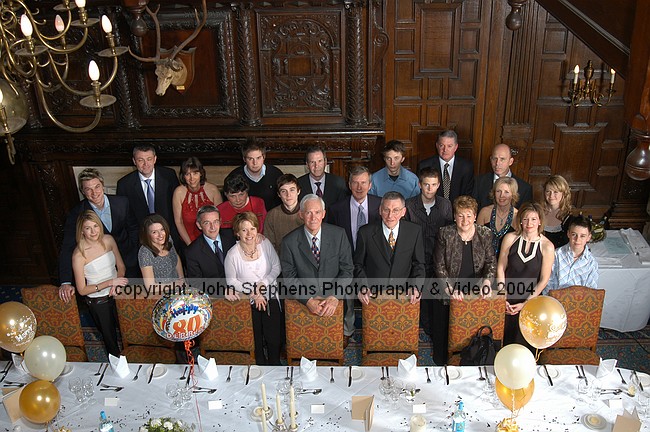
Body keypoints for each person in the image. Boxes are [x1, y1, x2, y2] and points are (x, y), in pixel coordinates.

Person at [59, 168, 139, 303]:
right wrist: (65, 281)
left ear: (102, 185)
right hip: (101, 272)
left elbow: (133, 228)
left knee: (132, 306)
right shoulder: (77, 213)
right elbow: (67, 246)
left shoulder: (122, 202)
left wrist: (134, 252)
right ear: (83, 191)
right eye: (88, 189)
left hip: (128, 261)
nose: (94, 192)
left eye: (97, 187)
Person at [432, 195, 496, 365]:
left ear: (475, 216)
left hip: (475, 293)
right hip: (448, 291)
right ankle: (442, 363)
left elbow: (491, 262)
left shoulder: (484, 233)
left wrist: (487, 282)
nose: (465, 220)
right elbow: (439, 265)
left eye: (468, 215)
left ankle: (469, 360)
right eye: (460, 215)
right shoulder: (445, 233)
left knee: (470, 331)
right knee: (444, 331)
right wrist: (450, 289)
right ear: (455, 216)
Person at [328, 165, 382, 343]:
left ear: (370, 185)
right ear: (349, 184)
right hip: (347, 261)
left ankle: (374, 332)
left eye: (363, 183)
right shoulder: (336, 209)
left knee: (373, 299)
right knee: (347, 298)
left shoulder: (380, 205)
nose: (359, 187)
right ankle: (347, 331)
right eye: (355, 183)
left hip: (373, 262)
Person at [280, 194, 354, 318]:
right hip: (304, 303)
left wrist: (334, 296)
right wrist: (308, 300)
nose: (313, 218)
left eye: (317, 212)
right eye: (308, 212)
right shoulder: (289, 242)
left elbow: (347, 270)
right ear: (301, 214)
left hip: (335, 300)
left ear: (323, 214)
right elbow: (289, 277)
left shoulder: (339, 235)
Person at [224, 212, 283, 365]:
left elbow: (276, 267)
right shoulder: (232, 255)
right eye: (244, 230)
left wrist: (263, 284)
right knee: (254, 338)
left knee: (274, 338)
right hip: (247, 300)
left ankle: (275, 363)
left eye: (252, 229)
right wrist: (254, 292)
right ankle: (259, 365)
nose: (249, 234)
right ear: (237, 233)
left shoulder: (265, 243)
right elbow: (231, 281)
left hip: (270, 294)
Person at [497, 202, 555, 348]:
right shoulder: (510, 238)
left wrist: (526, 304)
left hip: (530, 301)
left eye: (533, 219)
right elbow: (501, 268)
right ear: (520, 220)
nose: (529, 223)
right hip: (506, 298)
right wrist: (502, 296)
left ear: (540, 221)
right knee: (501, 341)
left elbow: (544, 280)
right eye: (526, 219)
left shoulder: (547, 246)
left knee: (522, 344)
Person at [71, 211, 128, 357]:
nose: (93, 231)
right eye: (88, 228)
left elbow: (121, 266)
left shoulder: (108, 240)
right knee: (111, 342)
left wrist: (117, 284)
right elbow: (82, 290)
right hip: (98, 301)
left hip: (117, 294)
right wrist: (110, 282)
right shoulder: (78, 255)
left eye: (95, 226)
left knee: (128, 332)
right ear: (81, 231)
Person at [405, 167, 453, 335]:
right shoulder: (409, 205)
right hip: (416, 259)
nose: (430, 189)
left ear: (439, 185)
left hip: (438, 258)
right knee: (417, 296)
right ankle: (417, 329)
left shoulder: (445, 205)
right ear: (420, 184)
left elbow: (449, 233)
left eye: (433, 185)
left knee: (436, 296)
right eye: (426, 185)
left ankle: (433, 329)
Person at [354, 191, 425, 305]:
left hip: (405, 297)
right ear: (380, 210)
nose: (390, 215)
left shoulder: (414, 231)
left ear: (403, 212)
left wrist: (415, 287)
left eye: (395, 210)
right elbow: (358, 264)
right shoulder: (365, 232)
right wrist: (362, 286)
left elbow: (419, 264)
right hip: (373, 297)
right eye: (386, 210)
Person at [116, 144, 179, 230]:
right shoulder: (124, 184)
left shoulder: (169, 176)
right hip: (140, 233)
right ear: (134, 161)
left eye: (149, 159)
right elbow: (125, 217)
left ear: (155, 159)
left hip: (168, 230)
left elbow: (178, 207)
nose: (145, 164)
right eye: (140, 160)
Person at [173, 157, 222, 246]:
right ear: (183, 176)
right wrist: (190, 245)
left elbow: (220, 218)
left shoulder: (213, 190)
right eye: (188, 174)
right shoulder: (178, 192)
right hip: (187, 242)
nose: (192, 178)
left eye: (195, 173)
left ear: (201, 174)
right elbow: (178, 222)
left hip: (211, 241)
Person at [545, 215, 599, 293]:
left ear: (588, 237)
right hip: (555, 298)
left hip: (580, 299)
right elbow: (548, 283)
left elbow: (591, 291)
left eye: (582, 236)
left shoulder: (591, 263)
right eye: (574, 234)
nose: (577, 240)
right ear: (568, 234)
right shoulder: (556, 255)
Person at [417, 130, 474, 203]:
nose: (445, 150)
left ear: (456, 147)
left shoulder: (466, 167)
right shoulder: (424, 165)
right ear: (437, 146)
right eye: (441, 145)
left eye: (449, 146)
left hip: (458, 208)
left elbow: (467, 195)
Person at [472, 143, 532, 209]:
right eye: (495, 158)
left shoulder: (525, 188)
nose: (497, 163)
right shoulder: (478, 182)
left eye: (502, 159)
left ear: (511, 161)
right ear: (491, 159)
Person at [227, 143, 284, 211]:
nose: (255, 163)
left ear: (264, 157)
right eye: (250, 159)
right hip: (243, 215)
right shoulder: (234, 176)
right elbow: (228, 204)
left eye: (258, 158)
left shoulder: (276, 174)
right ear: (244, 159)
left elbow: (282, 202)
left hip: (271, 215)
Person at [185, 205, 236, 279]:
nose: (212, 227)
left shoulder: (232, 236)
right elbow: (196, 282)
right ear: (199, 225)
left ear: (220, 222)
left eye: (216, 222)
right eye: (207, 223)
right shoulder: (192, 252)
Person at [476, 177, 519, 256]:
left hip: (507, 260)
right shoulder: (484, 212)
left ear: (513, 195)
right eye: (498, 191)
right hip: (483, 258)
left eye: (506, 192)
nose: (502, 195)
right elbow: (476, 241)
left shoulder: (518, 216)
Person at [139, 214, 184, 288]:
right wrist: (175, 284)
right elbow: (150, 287)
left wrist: (182, 279)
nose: (160, 235)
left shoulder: (168, 239)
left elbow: (176, 257)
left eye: (162, 229)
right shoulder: (145, 253)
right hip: (160, 291)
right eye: (154, 232)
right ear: (147, 235)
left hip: (178, 287)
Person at [264, 174, 304, 254]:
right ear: (279, 194)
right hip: (281, 258)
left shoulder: (307, 212)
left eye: (292, 190)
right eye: (283, 191)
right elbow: (270, 245)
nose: (288, 195)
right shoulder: (271, 216)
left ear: (298, 191)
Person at [542, 175, 573, 248]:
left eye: (555, 192)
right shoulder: (538, 213)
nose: (551, 195)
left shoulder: (569, 219)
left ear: (564, 194)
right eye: (548, 191)